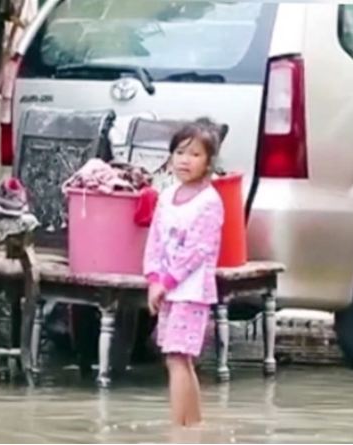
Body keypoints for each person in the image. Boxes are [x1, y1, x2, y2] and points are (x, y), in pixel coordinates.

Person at [143, 119, 224, 427]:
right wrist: (153, 279)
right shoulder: (166, 197)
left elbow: (197, 250)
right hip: (168, 290)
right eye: (179, 152)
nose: (185, 161)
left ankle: (180, 429)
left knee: (178, 357)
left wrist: (167, 281)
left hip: (192, 291)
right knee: (176, 358)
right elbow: (155, 241)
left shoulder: (210, 202)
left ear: (208, 162)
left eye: (194, 155)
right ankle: (192, 427)